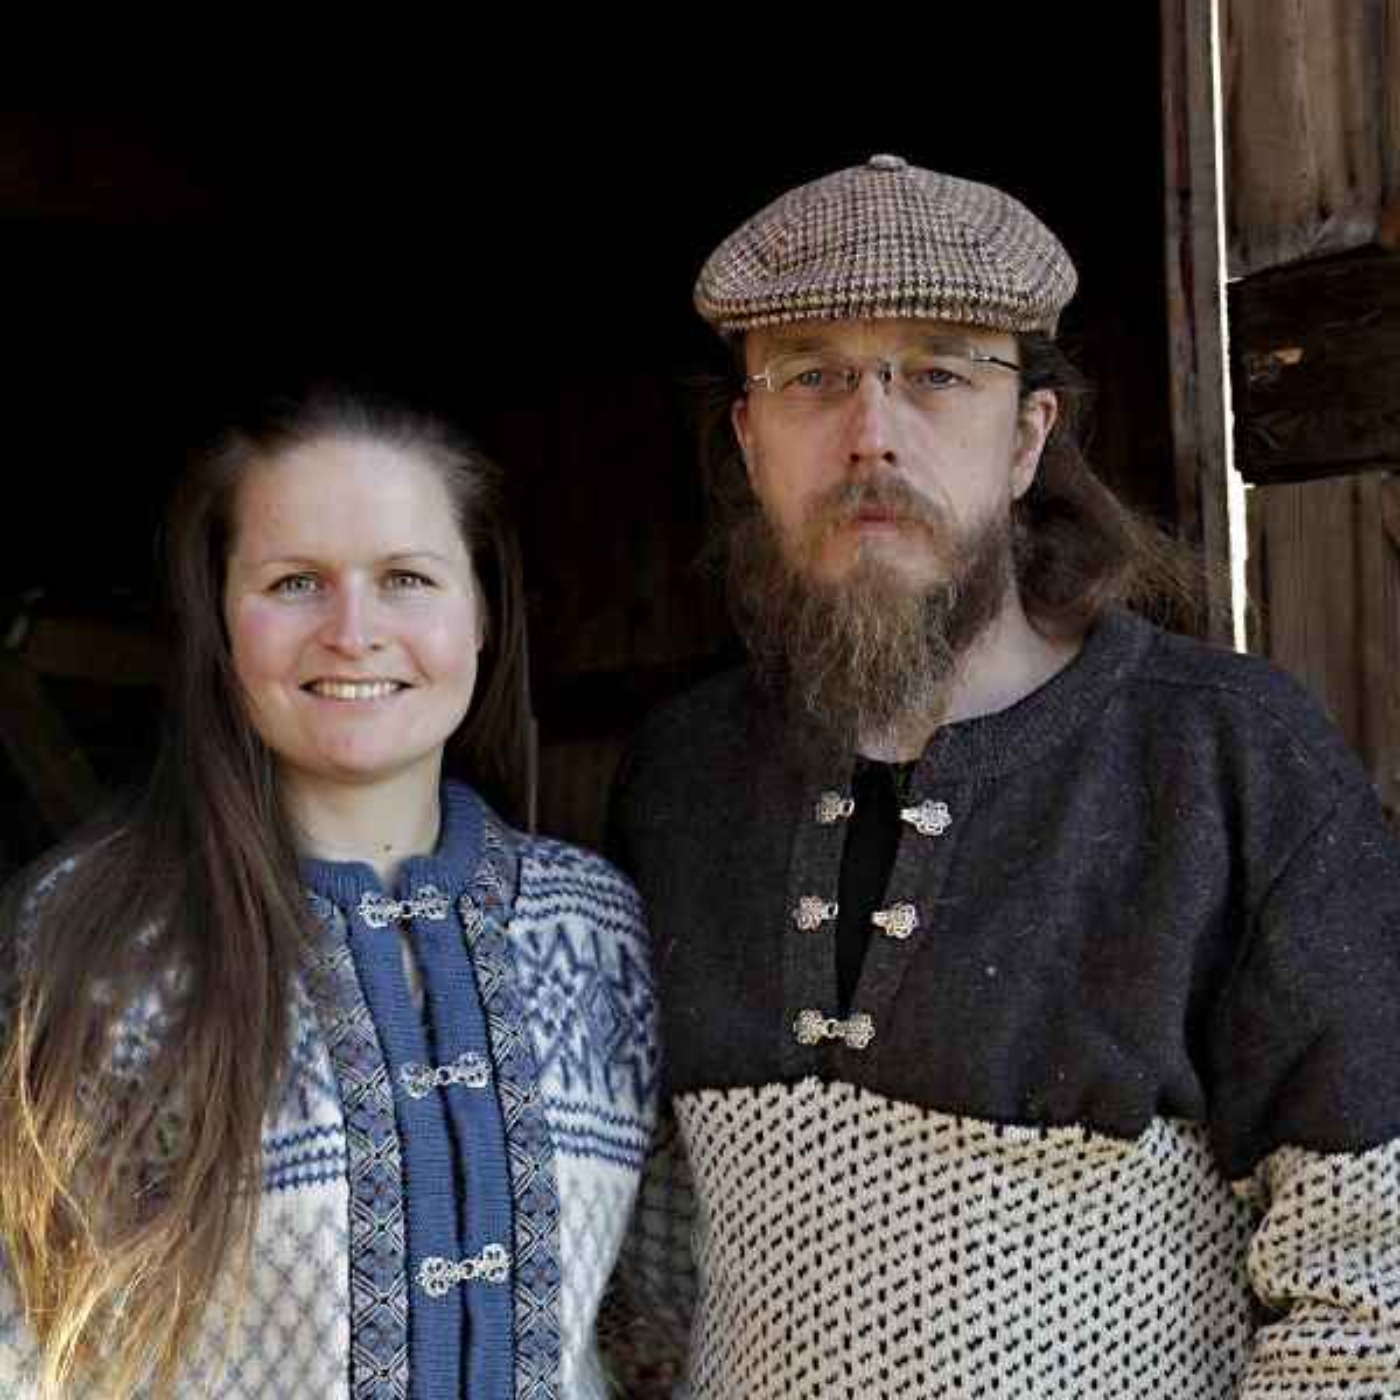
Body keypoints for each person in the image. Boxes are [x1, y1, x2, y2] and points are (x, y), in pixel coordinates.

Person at [608, 155, 1400, 1397]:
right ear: (749, 439)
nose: (871, 432)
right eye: (810, 375)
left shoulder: (1224, 759)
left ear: (1027, 436)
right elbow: (646, 1255)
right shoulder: (681, 776)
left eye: (936, 372)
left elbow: (1369, 1288)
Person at [0, 392, 658, 1398]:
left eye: (406, 579)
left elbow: (675, 1310)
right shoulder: (95, 940)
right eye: (295, 582)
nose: (354, 632)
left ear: (482, 609)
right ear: (221, 618)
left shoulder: (601, 928)